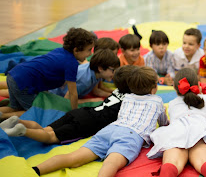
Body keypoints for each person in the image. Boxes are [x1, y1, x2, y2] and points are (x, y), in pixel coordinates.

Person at [30, 66, 168, 177]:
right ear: (153, 88)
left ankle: (37, 169)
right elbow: (163, 123)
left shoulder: (127, 98)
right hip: (131, 134)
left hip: (110, 129)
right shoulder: (157, 101)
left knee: (74, 157)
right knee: (111, 162)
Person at [1, 65, 137, 144]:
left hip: (81, 112)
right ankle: (23, 130)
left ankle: (18, 121)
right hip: (88, 123)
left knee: (45, 130)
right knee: (51, 137)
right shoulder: (132, 100)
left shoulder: (118, 90)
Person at [0, 27, 95, 120]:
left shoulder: (59, 50)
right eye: (88, 50)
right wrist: (74, 113)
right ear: (76, 50)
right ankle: (3, 116)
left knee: (15, 108)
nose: (90, 54)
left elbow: (45, 72)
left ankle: (2, 113)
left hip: (14, 74)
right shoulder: (71, 63)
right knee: (36, 111)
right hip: (23, 82)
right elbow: (72, 93)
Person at [49, 49, 120, 100]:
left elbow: (96, 91)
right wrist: (89, 101)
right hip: (56, 95)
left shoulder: (97, 73)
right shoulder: (84, 81)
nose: (114, 74)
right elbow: (67, 100)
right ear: (101, 68)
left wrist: (113, 94)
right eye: (112, 70)